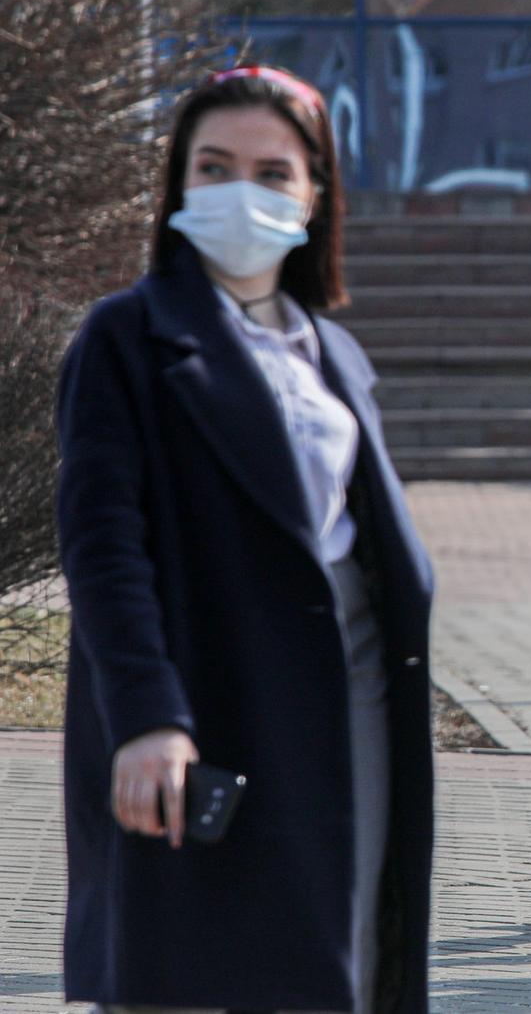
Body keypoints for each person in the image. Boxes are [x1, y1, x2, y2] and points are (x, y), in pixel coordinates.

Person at [57, 66, 436, 1013]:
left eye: (273, 173)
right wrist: (145, 712)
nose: (242, 193)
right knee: (180, 969)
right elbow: (103, 544)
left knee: (327, 964)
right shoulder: (127, 338)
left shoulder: (332, 353)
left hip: (345, 697)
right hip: (204, 689)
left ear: (315, 195)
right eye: (213, 166)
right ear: (179, 184)